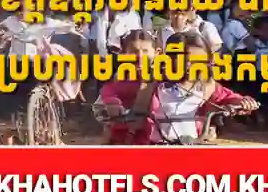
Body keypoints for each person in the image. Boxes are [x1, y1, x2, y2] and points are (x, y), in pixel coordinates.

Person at [96, 31, 258, 144]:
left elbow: (227, 97)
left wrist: (242, 102)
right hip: (150, 145)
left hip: (191, 144)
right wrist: (113, 104)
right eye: (185, 59)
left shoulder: (206, 85)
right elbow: (110, 92)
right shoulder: (150, 80)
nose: (191, 65)